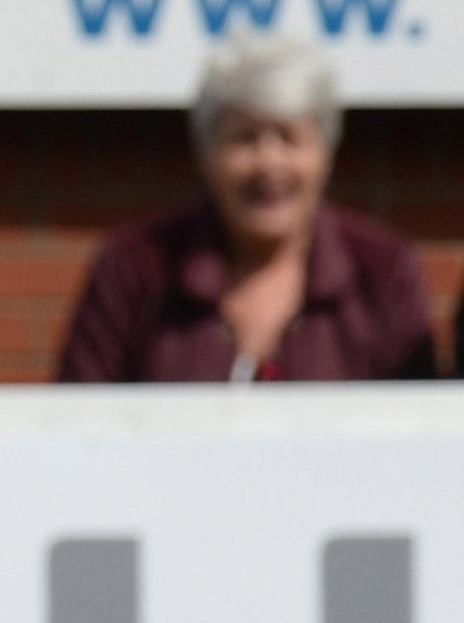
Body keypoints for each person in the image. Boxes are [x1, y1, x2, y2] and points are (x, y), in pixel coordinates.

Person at [56, 37, 432, 384]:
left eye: (289, 138)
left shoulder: (383, 272)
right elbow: (77, 426)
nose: (269, 163)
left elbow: (424, 430)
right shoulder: (134, 266)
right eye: (244, 138)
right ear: (206, 153)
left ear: (326, 154)